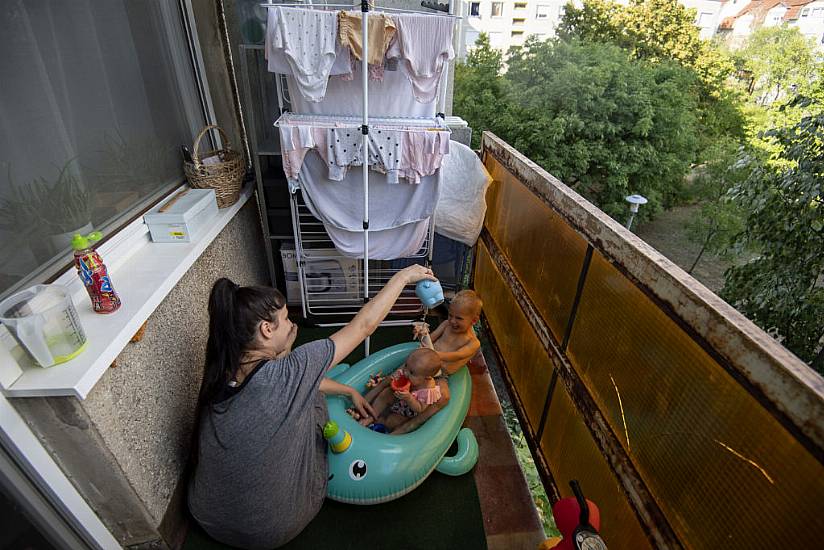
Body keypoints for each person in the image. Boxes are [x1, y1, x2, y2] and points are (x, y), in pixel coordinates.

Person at [187, 265, 435, 549]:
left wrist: (348, 389)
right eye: (285, 319)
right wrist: (403, 277)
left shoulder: (222, 368)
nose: (292, 323)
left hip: (205, 515)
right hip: (267, 531)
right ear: (267, 330)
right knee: (312, 401)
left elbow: (287, 384)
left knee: (302, 392)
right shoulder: (289, 373)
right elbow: (363, 326)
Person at [390, 289, 483, 435]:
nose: (452, 321)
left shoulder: (473, 342)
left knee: (445, 397)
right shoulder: (446, 325)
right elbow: (430, 339)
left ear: (474, 320)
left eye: (458, 318)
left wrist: (433, 355)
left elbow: (456, 355)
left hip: (441, 373)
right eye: (450, 315)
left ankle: (410, 425)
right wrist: (422, 335)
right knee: (397, 374)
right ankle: (375, 394)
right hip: (426, 362)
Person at [358, 348, 443, 431]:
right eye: (406, 365)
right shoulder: (407, 372)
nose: (405, 372)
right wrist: (395, 380)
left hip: (407, 410)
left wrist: (409, 398)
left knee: (393, 421)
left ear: (426, 378)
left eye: (412, 373)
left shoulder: (428, 390)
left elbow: (420, 409)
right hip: (398, 397)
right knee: (385, 393)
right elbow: (397, 380)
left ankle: (381, 422)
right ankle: (372, 416)